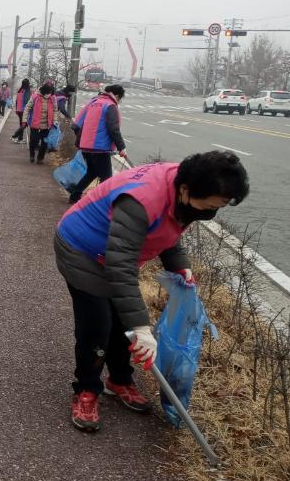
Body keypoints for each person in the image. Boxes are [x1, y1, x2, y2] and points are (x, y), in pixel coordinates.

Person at [54, 151, 249, 432]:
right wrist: (142, 327)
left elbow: (169, 228)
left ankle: (119, 380)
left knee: (123, 324)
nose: (210, 212)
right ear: (186, 189)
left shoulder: (184, 187)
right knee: (98, 326)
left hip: (112, 254)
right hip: (80, 250)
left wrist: (179, 265)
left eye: (218, 207)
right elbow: (121, 266)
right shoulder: (143, 200)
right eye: (209, 205)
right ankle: (87, 389)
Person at [67, 84, 129, 204]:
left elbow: (76, 125)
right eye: (120, 98)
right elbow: (113, 129)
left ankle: (74, 195)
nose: (119, 101)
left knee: (92, 173)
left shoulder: (93, 102)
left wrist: (84, 140)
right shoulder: (110, 106)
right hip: (100, 149)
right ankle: (102, 203)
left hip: (86, 148)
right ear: (116, 95)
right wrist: (121, 147)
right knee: (107, 179)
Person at [22, 82, 57, 164]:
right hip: (35, 124)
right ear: (44, 91)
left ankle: (40, 158)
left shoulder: (53, 98)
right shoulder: (35, 97)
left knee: (45, 143)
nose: (49, 94)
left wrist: (55, 121)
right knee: (34, 141)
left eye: (50, 93)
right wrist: (24, 120)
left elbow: (55, 110)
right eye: (48, 93)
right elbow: (27, 108)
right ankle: (32, 155)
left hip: (47, 125)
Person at [10, 78, 31, 143]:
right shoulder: (27, 91)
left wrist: (16, 109)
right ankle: (14, 136)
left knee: (22, 124)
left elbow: (16, 101)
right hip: (24, 110)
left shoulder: (20, 90)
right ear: (28, 84)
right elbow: (27, 101)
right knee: (24, 125)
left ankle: (20, 138)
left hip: (19, 110)